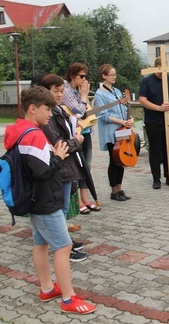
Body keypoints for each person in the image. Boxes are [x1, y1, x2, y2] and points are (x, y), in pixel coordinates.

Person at [3, 86, 96, 314]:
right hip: (45, 200)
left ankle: (46, 288)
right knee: (63, 246)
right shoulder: (33, 134)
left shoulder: (20, 129)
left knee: (40, 243)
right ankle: (68, 298)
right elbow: (42, 171)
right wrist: (57, 156)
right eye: (47, 109)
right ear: (33, 109)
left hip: (35, 200)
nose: (50, 113)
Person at [40, 74, 89, 262]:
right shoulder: (49, 115)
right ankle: (63, 247)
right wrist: (76, 140)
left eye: (62, 91)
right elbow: (59, 143)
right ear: (46, 92)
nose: (60, 95)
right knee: (60, 208)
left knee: (65, 207)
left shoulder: (59, 110)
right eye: (55, 91)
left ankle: (64, 240)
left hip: (68, 165)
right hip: (60, 166)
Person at [62, 63, 101, 214]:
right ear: (72, 76)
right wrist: (84, 96)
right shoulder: (65, 89)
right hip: (73, 135)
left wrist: (83, 97)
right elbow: (78, 110)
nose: (84, 80)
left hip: (85, 132)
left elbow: (88, 111)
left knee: (87, 166)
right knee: (75, 167)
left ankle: (85, 199)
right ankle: (77, 201)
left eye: (85, 76)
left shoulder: (79, 90)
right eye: (81, 76)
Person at [138, 57, 169, 189]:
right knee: (155, 149)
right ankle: (156, 178)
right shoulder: (147, 81)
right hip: (154, 120)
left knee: (168, 148)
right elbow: (142, 99)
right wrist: (159, 108)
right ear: (155, 66)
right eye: (159, 66)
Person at [94, 64, 133, 201]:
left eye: (115, 74)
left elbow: (123, 109)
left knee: (121, 160)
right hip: (110, 132)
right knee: (114, 159)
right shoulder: (100, 94)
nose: (114, 77)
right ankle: (113, 191)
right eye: (111, 74)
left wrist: (129, 119)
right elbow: (103, 115)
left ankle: (120, 188)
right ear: (104, 76)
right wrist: (121, 122)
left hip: (121, 131)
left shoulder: (116, 91)